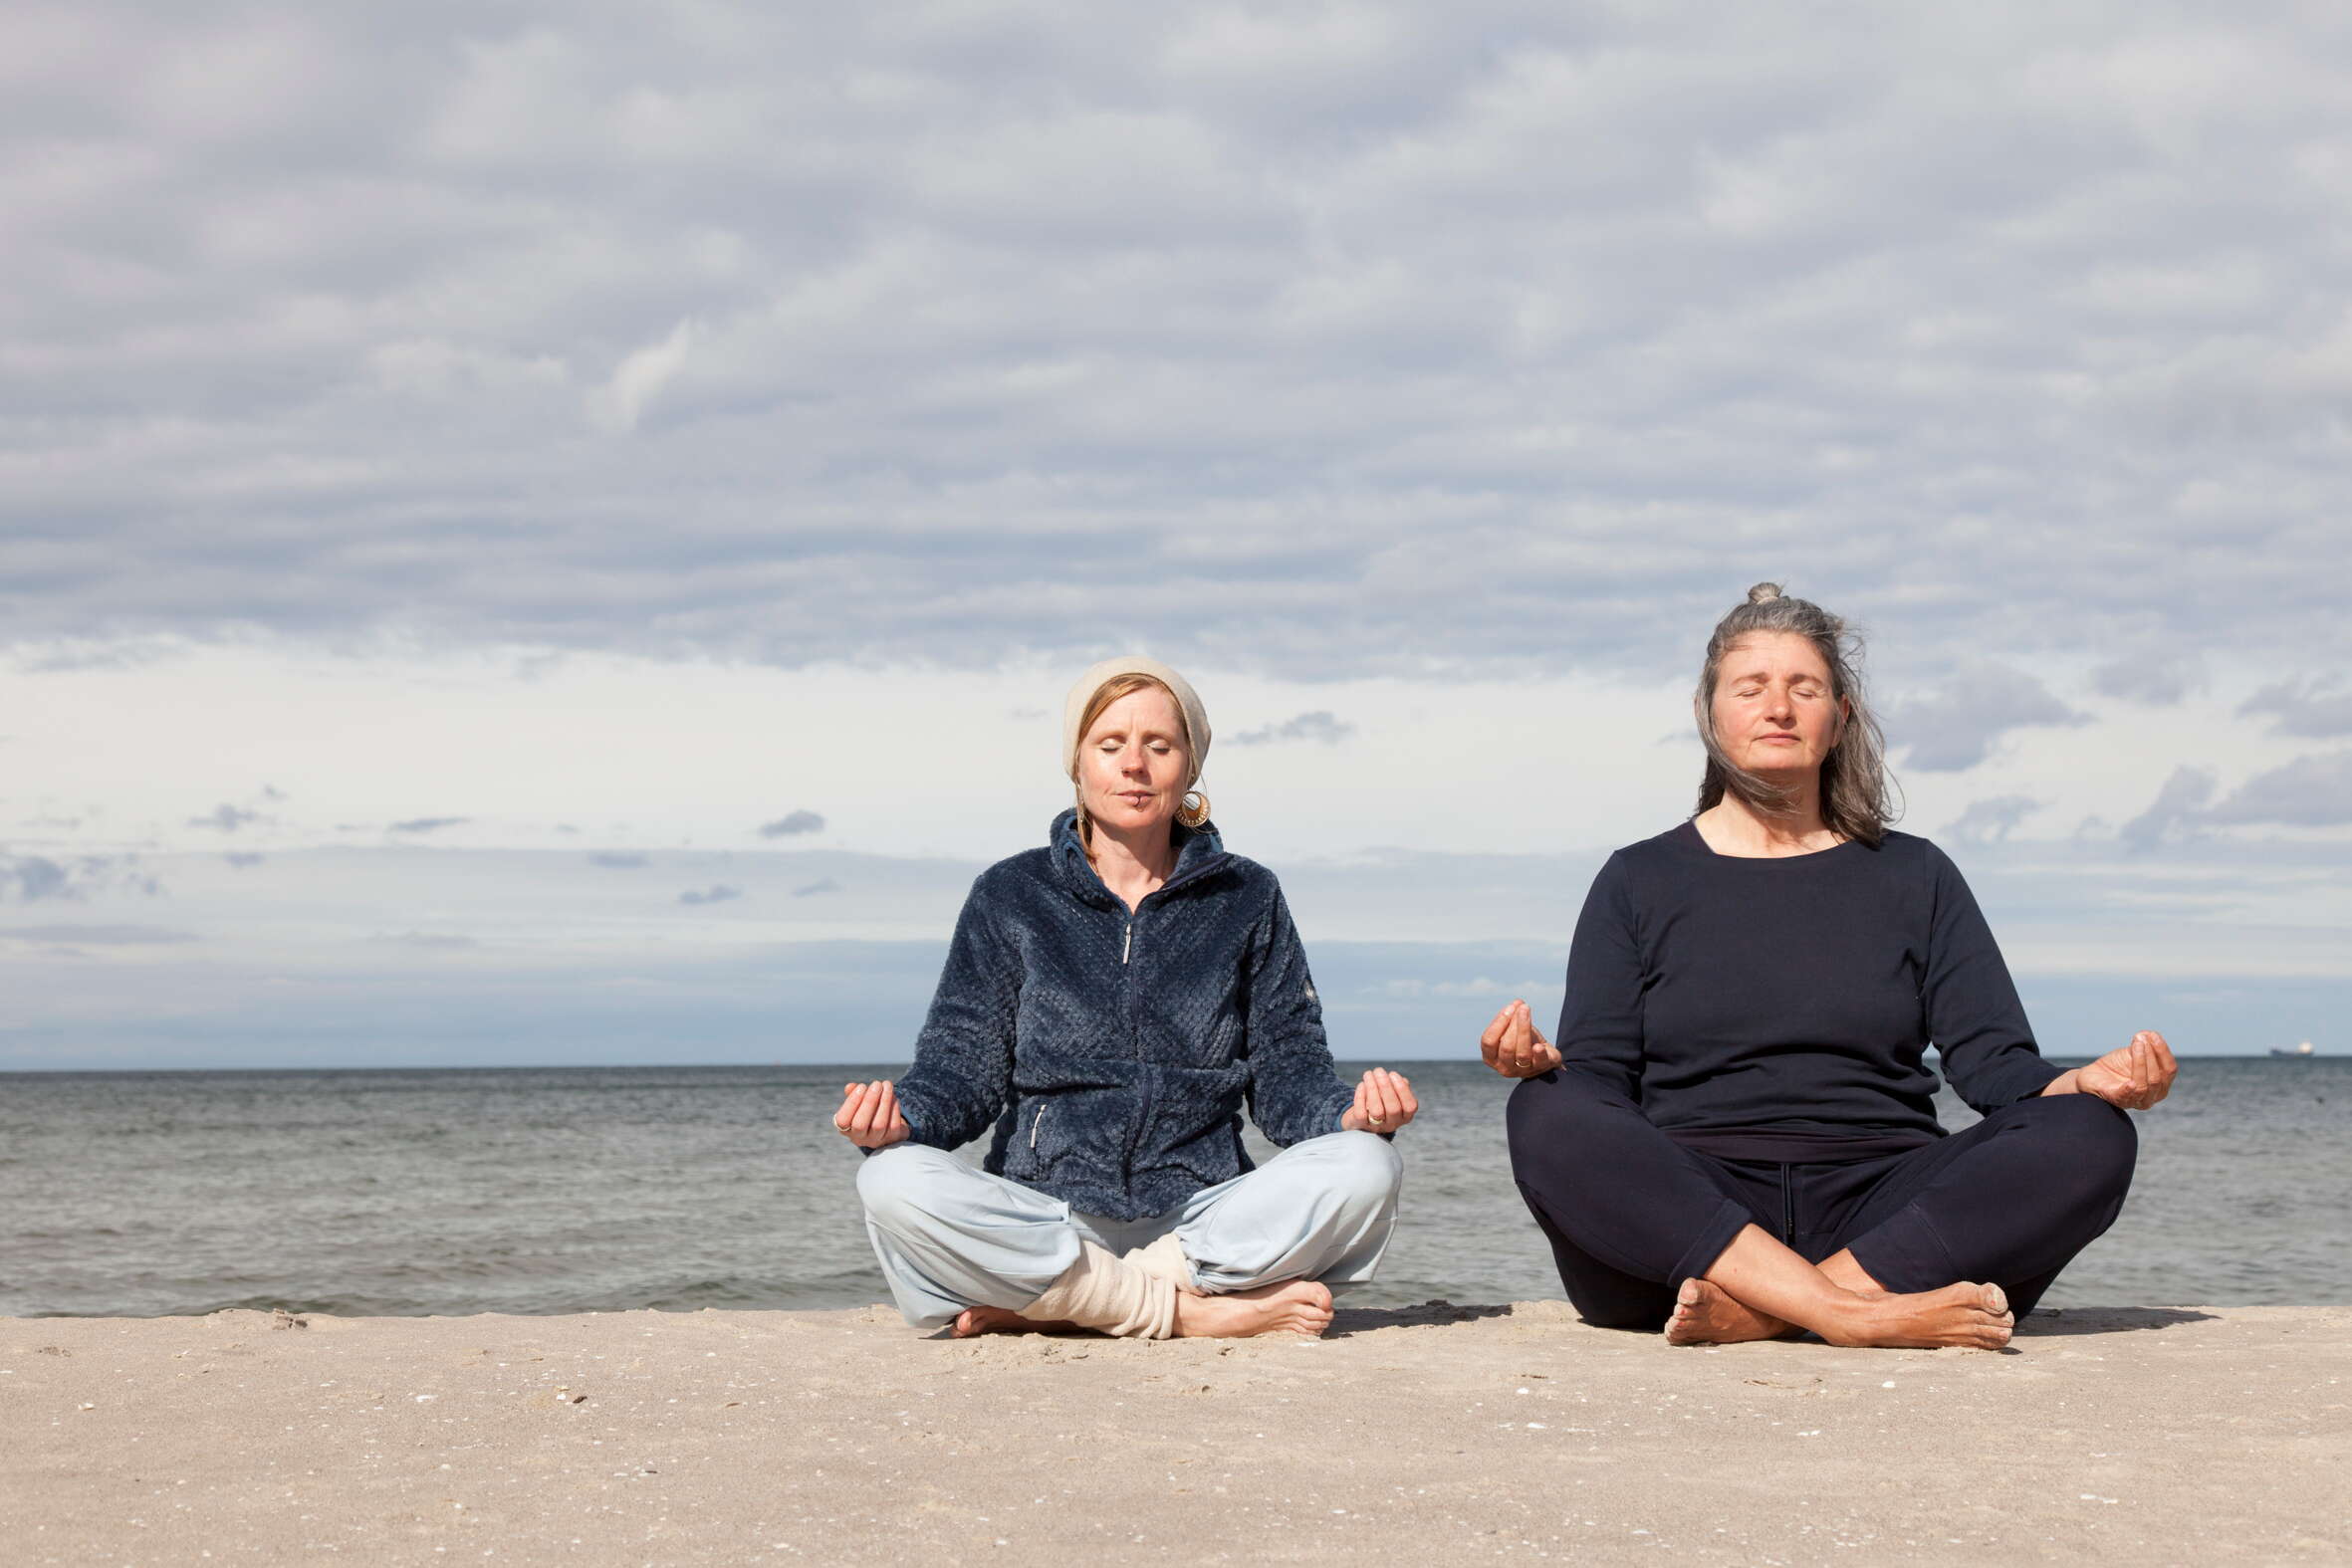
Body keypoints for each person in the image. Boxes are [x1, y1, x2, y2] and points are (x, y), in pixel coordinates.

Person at [1485, 583, 2176, 1350]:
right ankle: (1849, 1313)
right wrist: (1546, 1066)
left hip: (1884, 1214)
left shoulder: (1916, 875)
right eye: (1751, 687)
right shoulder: (1637, 879)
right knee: (1544, 1109)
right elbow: (1601, 1085)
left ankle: (1778, 1308)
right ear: (1710, 715)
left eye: (1803, 687)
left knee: (2093, 1134)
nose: (1778, 707)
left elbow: (1994, 1064)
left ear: (1839, 715)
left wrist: (2083, 1084)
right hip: (1695, 1224)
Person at [838, 656, 1416, 1339]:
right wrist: (900, 1119)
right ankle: (1180, 1313)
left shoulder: (1247, 896)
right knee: (891, 1180)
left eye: (1158, 745)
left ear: (1189, 765)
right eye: (1110, 745)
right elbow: (962, 1069)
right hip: (1045, 1214)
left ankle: (1064, 1305)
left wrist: (1348, 1112)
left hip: (1197, 1221)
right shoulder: (1010, 895)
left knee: (1369, 1165)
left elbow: (1289, 1072)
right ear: (1078, 764)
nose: (1133, 764)